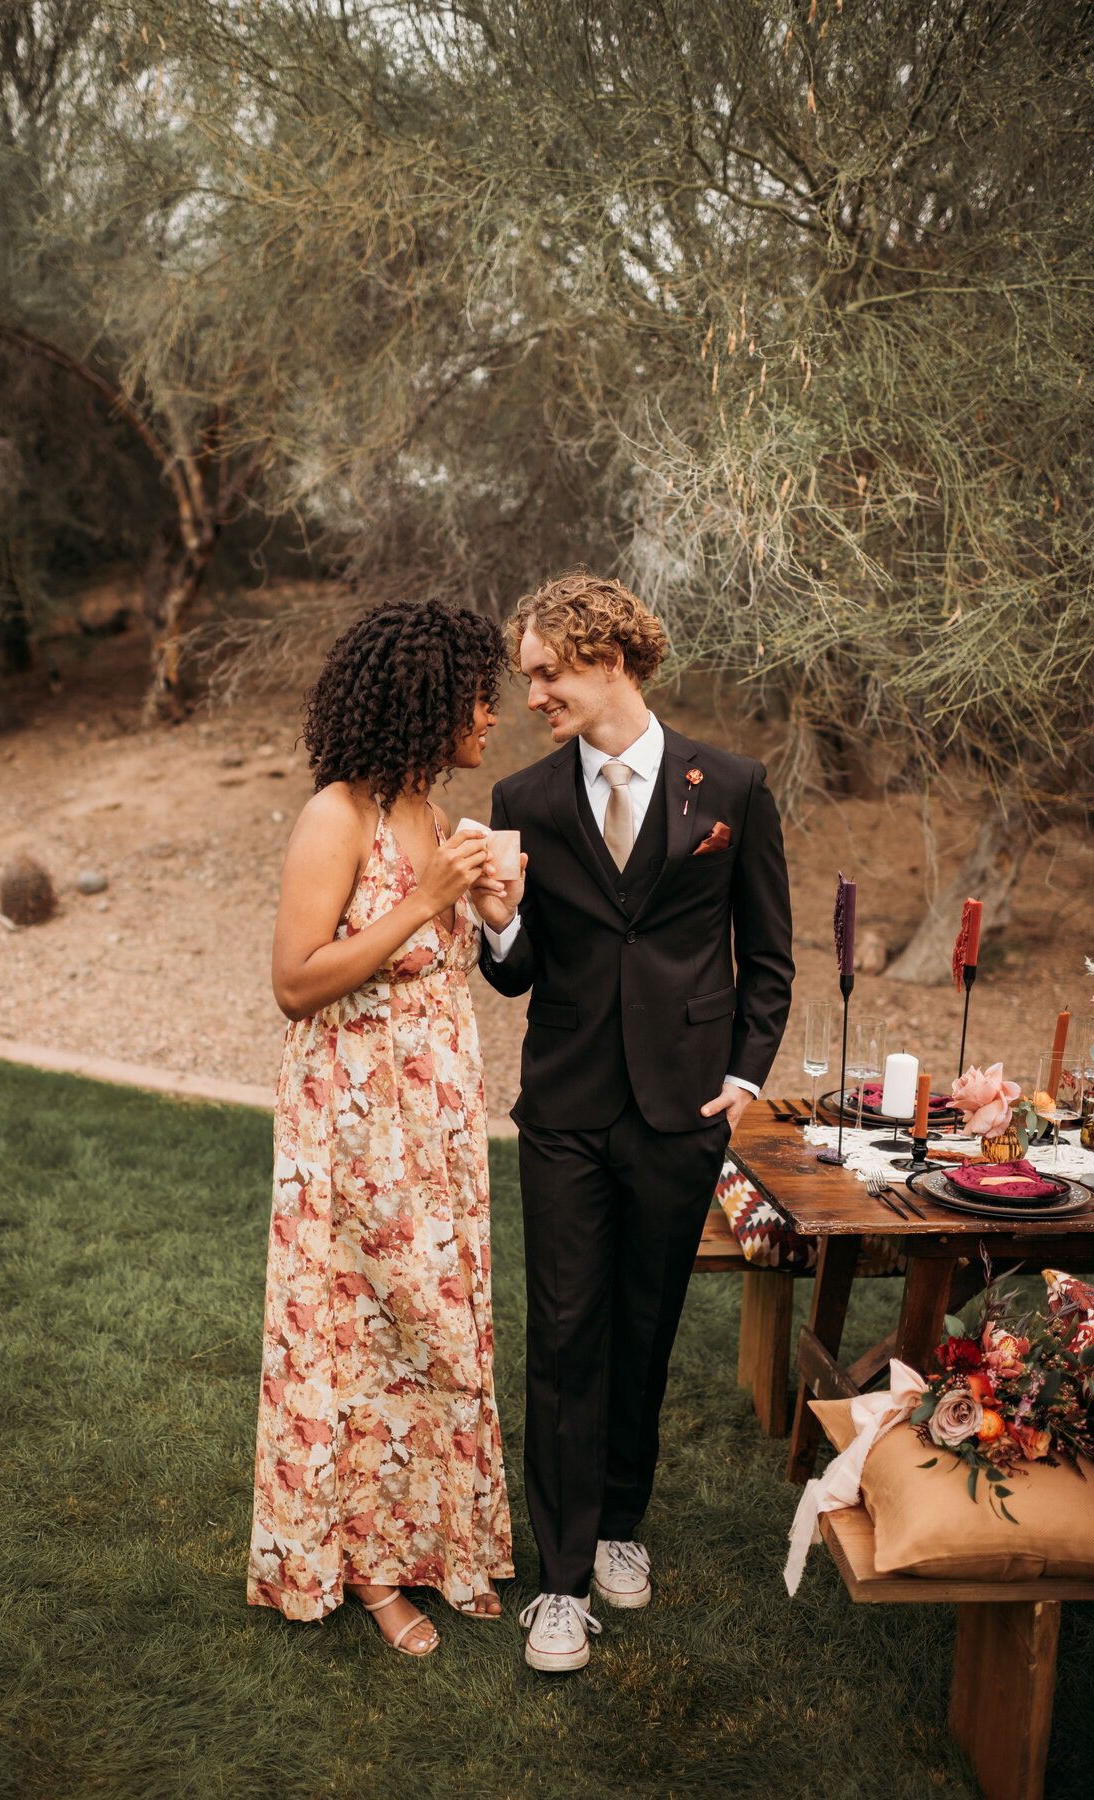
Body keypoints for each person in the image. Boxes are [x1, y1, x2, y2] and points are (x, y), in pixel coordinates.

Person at [469, 571, 794, 1672]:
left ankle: (618, 1524)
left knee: (644, 1325)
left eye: (547, 674)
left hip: (680, 1107)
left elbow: (769, 953)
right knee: (563, 1332)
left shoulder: (734, 787)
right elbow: (512, 972)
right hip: (564, 1103)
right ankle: (559, 1584)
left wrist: (745, 1077)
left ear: (607, 659)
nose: (534, 697)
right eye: (528, 680)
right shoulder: (525, 801)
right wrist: (504, 925)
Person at [247, 598, 514, 1657]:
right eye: (479, 696)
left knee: (435, 1330)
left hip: (435, 1118)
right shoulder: (338, 815)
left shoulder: (435, 816)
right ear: (430, 697)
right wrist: (420, 905)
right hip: (351, 1124)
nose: (493, 715)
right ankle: (361, 1568)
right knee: (357, 1340)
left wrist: (489, 906)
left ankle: (439, 1540)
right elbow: (294, 984)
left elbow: (442, 972)